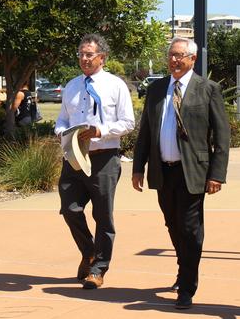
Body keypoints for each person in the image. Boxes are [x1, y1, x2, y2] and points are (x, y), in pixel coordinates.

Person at [131, 37, 230, 309]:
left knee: (190, 228)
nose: (174, 60)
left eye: (179, 56)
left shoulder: (207, 89)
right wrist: (138, 167)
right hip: (163, 170)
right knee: (172, 224)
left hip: (194, 172)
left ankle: (187, 287)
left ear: (192, 59)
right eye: (171, 55)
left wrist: (217, 174)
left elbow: (222, 135)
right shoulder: (156, 89)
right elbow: (146, 132)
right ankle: (183, 265)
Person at [54, 33, 134, 289]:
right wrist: (60, 132)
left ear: (102, 57)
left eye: (89, 54)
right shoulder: (72, 85)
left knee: (103, 216)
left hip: (104, 158)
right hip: (75, 157)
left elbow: (128, 123)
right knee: (70, 208)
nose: (84, 58)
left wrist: (101, 131)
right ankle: (89, 251)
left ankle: (98, 268)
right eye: (81, 54)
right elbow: (62, 119)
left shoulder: (116, 85)